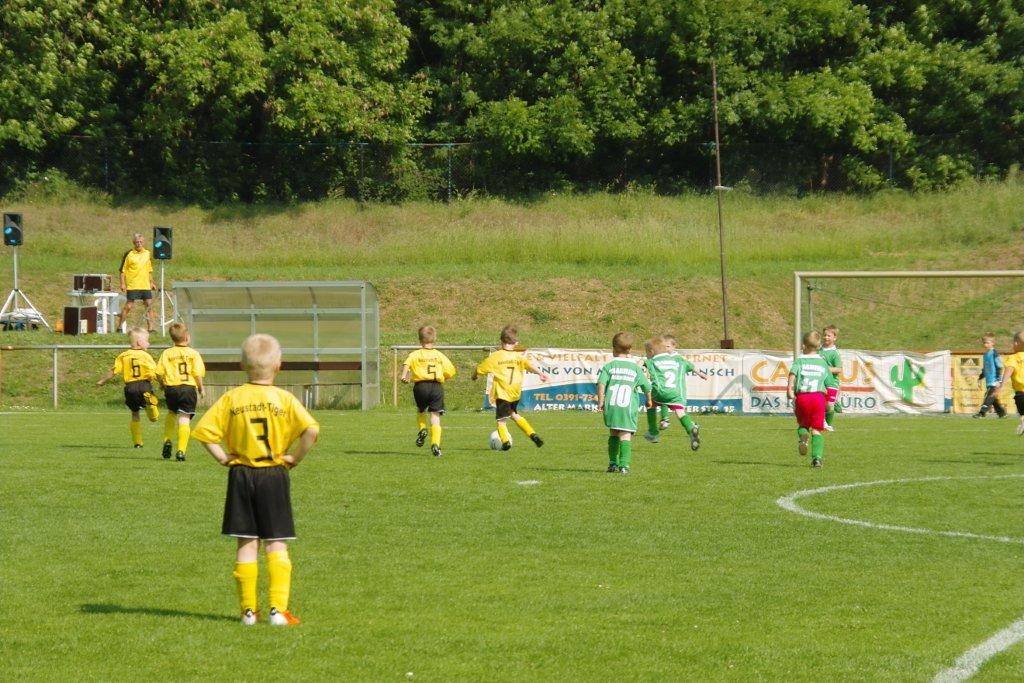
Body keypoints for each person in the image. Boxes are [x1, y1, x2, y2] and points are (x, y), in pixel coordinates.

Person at [193, 334, 319, 627]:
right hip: (273, 474)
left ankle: (248, 612)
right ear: (278, 366)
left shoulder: (232, 398)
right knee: (276, 542)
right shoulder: (284, 399)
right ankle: (278, 610)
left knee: (246, 542)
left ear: (242, 365)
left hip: (241, 474)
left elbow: (204, 432)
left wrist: (222, 458)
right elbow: (311, 430)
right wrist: (295, 457)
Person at [472, 325, 549, 450]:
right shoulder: (518, 357)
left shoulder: (496, 356)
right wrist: (540, 373)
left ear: (501, 341)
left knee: (501, 420)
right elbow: (529, 366)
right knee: (513, 414)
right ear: (516, 343)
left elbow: (479, 369)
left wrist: (474, 376)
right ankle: (533, 434)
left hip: (503, 393)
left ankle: (505, 441)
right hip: (515, 392)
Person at [597, 332, 652, 474]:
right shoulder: (635, 368)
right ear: (630, 349)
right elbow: (646, 386)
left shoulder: (609, 366)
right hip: (627, 408)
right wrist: (649, 400)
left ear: (613, 348)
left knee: (613, 433)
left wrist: (600, 401)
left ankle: (612, 463)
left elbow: (601, 383)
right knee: (625, 435)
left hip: (612, 407)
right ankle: (624, 465)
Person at [96, 327, 160, 447]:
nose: (149, 343)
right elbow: (155, 372)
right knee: (153, 412)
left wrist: (102, 380)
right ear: (140, 342)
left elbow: (114, 371)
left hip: (130, 388)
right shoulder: (146, 356)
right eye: (147, 341)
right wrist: (163, 383)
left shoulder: (124, 356)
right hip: (145, 385)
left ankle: (137, 442)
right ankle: (152, 409)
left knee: (135, 414)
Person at [642, 335, 708, 450]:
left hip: (660, 392)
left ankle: (653, 432)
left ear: (651, 352)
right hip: (676, 394)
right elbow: (691, 366)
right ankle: (690, 428)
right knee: (680, 412)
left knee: (650, 403)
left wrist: (639, 364)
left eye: (647, 352)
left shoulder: (652, 361)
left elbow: (639, 365)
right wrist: (701, 374)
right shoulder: (678, 360)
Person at [401, 325, 457, 457]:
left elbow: (407, 363)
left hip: (420, 386)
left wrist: (404, 375)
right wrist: (443, 377)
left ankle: (422, 428)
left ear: (420, 340)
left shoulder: (415, 354)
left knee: (421, 410)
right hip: (436, 386)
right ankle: (435, 444)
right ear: (435, 339)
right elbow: (451, 371)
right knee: (435, 416)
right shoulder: (439, 355)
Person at [155, 321, 206, 461]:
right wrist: (201, 388)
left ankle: (167, 440)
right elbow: (197, 373)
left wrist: (162, 384)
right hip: (188, 388)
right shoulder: (193, 354)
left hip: (171, 388)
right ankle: (181, 451)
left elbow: (158, 372)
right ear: (187, 337)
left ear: (172, 338)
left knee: (172, 412)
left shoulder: (167, 353)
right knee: (184, 418)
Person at [788, 331, 831, 467]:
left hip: (803, 397)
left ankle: (803, 437)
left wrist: (789, 389)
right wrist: (830, 400)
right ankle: (817, 459)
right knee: (817, 430)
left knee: (803, 425)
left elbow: (792, 374)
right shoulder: (823, 363)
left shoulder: (800, 360)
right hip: (818, 398)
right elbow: (830, 383)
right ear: (818, 346)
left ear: (803, 346)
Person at [116, 232, 157, 333]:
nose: (139, 244)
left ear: (143, 242)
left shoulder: (147, 253)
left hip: (145, 285)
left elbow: (149, 270)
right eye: (137, 242)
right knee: (128, 306)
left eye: (141, 242)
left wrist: (151, 282)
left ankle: (151, 328)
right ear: (134, 243)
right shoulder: (129, 254)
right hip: (133, 285)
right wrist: (122, 283)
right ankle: (120, 327)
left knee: (149, 305)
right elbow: (122, 271)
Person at [997, 331, 1024, 436]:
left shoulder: (1013, 358)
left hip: (1020, 394)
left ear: (1016, 343)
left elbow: (1009, 370)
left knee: (1022, 413)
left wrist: (1001, 384)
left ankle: (1023, 421)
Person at [975, 333, 1006, 418]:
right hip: (989, 381)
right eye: (984, 343)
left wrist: (998, 380)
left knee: (988, 396)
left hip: (994, 381)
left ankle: (982, 413)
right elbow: (985, 368)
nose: (986, 345)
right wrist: (980, 377)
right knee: (993, 399)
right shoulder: (985, 355)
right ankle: (1002, 413)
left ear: (993, 343)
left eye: (988, 343)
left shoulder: (994, 353)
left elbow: (999, 366)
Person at [818, 325, 842, 431]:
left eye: (829, 336)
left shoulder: (834, 353)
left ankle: (828, 424)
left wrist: (825, 369)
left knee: (829, 405)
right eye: (824, 335)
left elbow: (839, 369)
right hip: (820, 382)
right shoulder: (818, 350)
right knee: (819, 403)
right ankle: (823, 424)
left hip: (832, 382)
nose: (826, 337)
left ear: (835, 338)